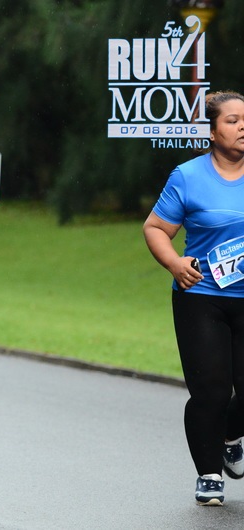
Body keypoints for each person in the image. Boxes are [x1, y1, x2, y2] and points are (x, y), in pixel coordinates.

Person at [143, 90, 244, 506]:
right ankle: (209, 473)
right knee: (212, 391)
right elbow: (155, 228)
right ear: (212, 131)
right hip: (201, 295)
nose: (242, 127)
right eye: (233, 121)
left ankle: (230, 435)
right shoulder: (187, 176)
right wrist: (174, 263)